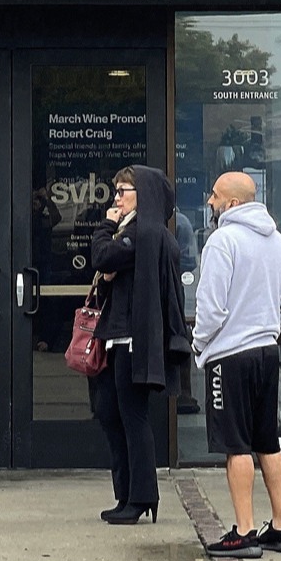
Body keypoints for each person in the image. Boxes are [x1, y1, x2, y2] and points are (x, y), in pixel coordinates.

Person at [193, 171, 281, 559]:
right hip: (266, 352)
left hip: (229, 355)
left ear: (233, 203)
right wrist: (266, 328)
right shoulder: (277, 240)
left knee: (236, 446)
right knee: (268, 441)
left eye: (215, 195)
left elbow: (211, 307)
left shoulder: (222, 241)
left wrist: (200, 343)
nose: (210, 201)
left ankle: (243, 531)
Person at [87, 165, 188, 525]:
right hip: (119, 335)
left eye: (123, 191)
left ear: (141, 195)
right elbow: (111, 269)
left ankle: (141, 496)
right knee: (111, 412)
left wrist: (106, 226)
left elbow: (102, 256)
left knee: (132, 417)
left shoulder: (140, 233)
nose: (116, 199)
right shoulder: (140, 234)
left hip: (134, 339)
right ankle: (127, 493)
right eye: (115, 191)